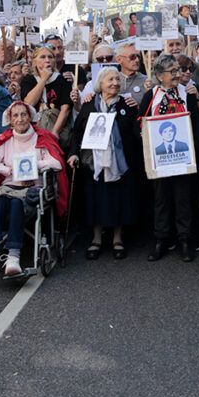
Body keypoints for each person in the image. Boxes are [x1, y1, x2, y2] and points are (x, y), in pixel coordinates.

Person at [0, 102, 68, 276]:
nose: (20, 119)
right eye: (15, 116)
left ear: (30, 117)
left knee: (16, 202)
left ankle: (13, 256)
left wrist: (35, 165)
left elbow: (56, 163)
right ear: (10, 120)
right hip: (10, 185)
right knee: (1, 198)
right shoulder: (6, 139)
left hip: (34, 186)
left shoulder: (42, 137)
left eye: (23, 115)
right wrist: (8, 170)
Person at [69, 68, 141, 261]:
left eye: (117, 79)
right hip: (94, 162)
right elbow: (77, 132)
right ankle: (96, 239)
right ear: (100, 84)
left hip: (121, 162)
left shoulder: (127, 104)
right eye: (110, 80)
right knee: (95, 199)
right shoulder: (89, 105)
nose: (115, 83)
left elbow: (136, 131)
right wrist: (74, 154)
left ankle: (118, 239)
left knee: (120, 199)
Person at [141, 55, 199, 262]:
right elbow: (141, 121)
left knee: (182, 198)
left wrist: (191, 150)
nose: (178, 74)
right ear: (160, 76)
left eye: (178, 70)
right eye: (173, 71)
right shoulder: (151, 95)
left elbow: (196, 123)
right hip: (159, 157)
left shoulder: (186, 94)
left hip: (182, 156)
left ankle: (185, 240)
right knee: (161, 199)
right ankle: (161, 239)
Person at [20, 46, 73, 149]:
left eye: (50, 57)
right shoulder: (28, 80)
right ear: (34, 62)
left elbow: (65, 109)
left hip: (56, 128)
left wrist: (55, 132)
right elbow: (29, 103)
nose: (47, 60)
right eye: (43, 57)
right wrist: (43, 79)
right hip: (33, 131)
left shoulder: (62, 80)